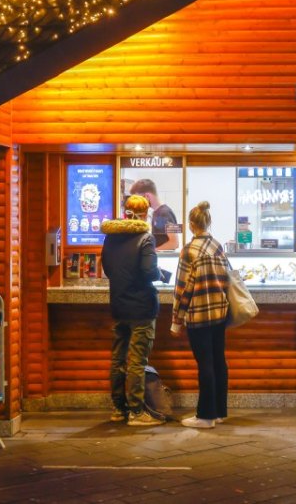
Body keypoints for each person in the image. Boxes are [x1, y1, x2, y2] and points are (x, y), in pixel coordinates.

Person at [100, 194, 164, 427]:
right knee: (137, 360)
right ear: (145, 213)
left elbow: (107, 268)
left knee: (118, 359)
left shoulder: (111, 238)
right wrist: (159, 273)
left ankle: (119, 409)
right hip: (141, 308)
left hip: (118, 305)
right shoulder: (145, 238)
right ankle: (137, 412)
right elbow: (149, 272)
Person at [170, 201, 230, 429]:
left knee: (204, 363)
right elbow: (228, 278)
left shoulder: (189, 250)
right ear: (208, 222)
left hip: (199, 315)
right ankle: (219, 412)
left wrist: (176, 320)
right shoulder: (217, 246)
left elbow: (182, 288)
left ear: (192, 225)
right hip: (219, 312)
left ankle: (205, 416)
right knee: (218, 361)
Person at [130, 178, 179, 248]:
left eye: (139, 199)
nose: (138, 203)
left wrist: (152, 252)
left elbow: (175, 243)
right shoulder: (155, 213)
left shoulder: (166, 213)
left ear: (147, 196)